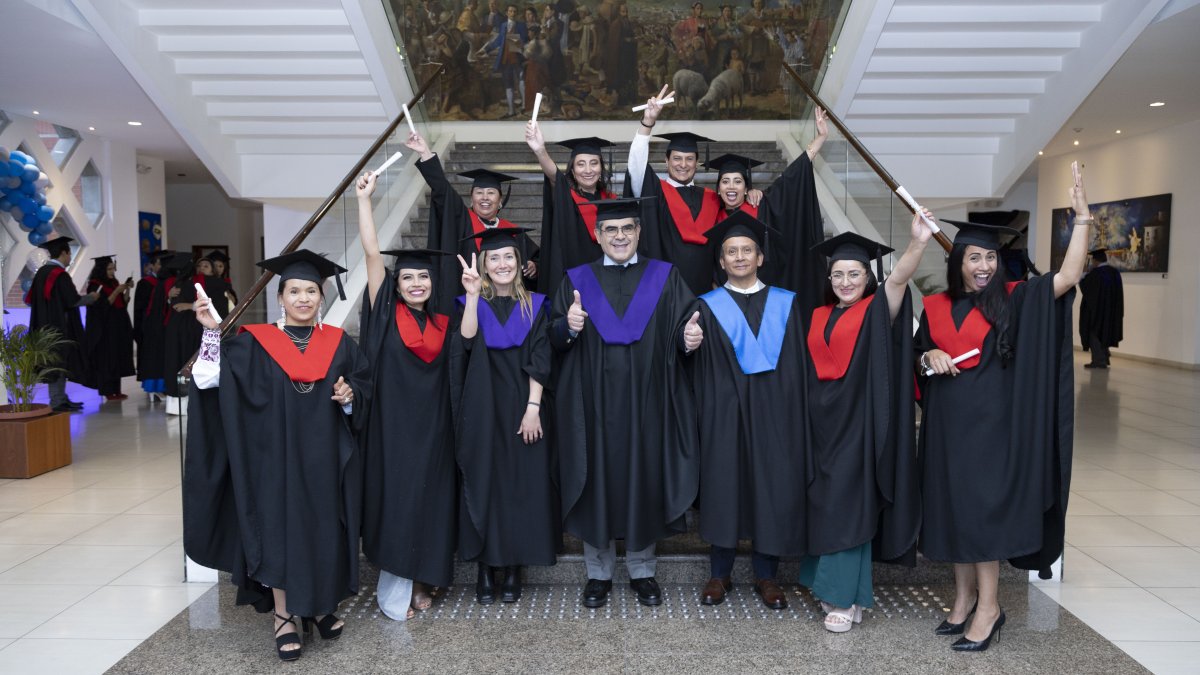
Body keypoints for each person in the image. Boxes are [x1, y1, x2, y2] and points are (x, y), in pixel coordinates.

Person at [917, 168, 1091, 652]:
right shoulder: (933, 306)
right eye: (975, 257)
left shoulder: (1014, 300)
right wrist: (927, 355)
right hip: (946, 427)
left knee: (980, 515)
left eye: (990, 257)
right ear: (958, 262)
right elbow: (918, 356)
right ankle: (963, 597)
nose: (984, 265)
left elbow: (1069, 276)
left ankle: (989, 609)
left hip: (992, 429)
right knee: (952, 510)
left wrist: (1082, 221)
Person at [184, 249, 369, 662]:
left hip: (325, 459)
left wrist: (351, 395)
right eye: (294, 291)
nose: (303, 298)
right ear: (281, 297)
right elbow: (210, 378)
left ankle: (320, 605)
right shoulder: (255, 343)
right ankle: (284, 615)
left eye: (310, 291)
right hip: (274, 461)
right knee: (282, 531)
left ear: (321, 298)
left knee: (324, 529)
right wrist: (212, 332)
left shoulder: (341, 344)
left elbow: (364, 385)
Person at [549, 197, 703, 609]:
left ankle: (642, 570)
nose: (619, 236)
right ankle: (597, 574)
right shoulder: (577, 280)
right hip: (592, 405)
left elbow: (684, 329)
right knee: (595, 479)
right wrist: (567, 326)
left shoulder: (665, 278)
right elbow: (550, 337)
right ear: (597, 235)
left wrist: (689, 343)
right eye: (611, 230)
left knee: (643, 478)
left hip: (647, 403)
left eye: (627, 229)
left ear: (639, 233)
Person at [800, 217, 931, 633]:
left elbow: (897, 283)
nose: (844, 281)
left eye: (854, 273)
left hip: (858, 426)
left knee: (848, 506)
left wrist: (916, 242)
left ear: (868, 277)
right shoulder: (818, 314)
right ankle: (843, 591)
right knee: (824, 503)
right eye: (837, 274)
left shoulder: (875, 311)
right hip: (820, 425)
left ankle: (842, 595)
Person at [690, 212, 809, 611]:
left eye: (746, 250)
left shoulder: (786, 304)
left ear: (760, 257)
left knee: (769, 488)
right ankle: (719, 573)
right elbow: (691, 361)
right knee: (725, 487)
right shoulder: (705, 307)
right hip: (723, 414)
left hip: (775, 413)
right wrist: (685, 342)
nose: (739, 257)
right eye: (731, 252)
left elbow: (797, 366)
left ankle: (767, 575)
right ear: (721, 261)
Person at [355, 171, 458, 617]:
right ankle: (399, 578)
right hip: (392, 429)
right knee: (398, 502)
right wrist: (364, 200)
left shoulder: (442, 324)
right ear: (396, 286)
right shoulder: (385, 314)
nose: (417, 283)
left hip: (435, 429)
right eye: (408, 278)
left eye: (424, 278)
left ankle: (426, 575)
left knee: (431, 501)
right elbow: (373, 253)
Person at [451, 227, 558, 605]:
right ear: (484, 264)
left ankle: (512, 566)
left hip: (522, 405)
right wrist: (471, 295)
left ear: (518, 264)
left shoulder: (536, 304)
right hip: (482, 407)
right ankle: (485, 564)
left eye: (508, 257)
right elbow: (465, 341)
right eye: (494, 258)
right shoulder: (470, 303)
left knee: (519, 484)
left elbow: (541, 359)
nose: (501, 264)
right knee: (486, 482)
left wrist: (533, 409)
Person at [700, 106, 828, 311]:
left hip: (766, 298)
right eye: (725, 181)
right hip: (729, 300)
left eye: (737, 182)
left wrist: (820, 138)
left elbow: (792, 178)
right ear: (718, 188)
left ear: (746, 188)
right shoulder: (711, 215)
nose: (731, 186)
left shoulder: (762, 206)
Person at [406, 130, 540, 312]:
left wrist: (534, 266)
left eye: (491, 193)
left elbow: (537, 259)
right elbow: (443, 190)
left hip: (503, 306)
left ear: (500, 201)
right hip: (464, 300)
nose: (485, 197)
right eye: (479, 192)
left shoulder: (512, 231)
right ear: (471, 199)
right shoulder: (462, 221)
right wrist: (425, 154)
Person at [524, 127, 619, 295]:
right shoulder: (567, 199)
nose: (588, 170)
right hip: (575, 281)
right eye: (581, 164)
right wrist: (540, 151)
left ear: (601, 168)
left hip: (610, 279)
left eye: (594, 163)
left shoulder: (613, 201)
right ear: (573, 172)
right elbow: (554, 177)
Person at [26, 237, 98, 412]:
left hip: (43, 326)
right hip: (59, 326)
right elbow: (72, 301)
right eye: (69, 254)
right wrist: (91, 298)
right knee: (58, 362)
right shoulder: (60, 275)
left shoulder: (41, 273)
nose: (69, 258)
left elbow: (30, 300)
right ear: (64, 253)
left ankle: (61, 398)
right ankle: (57, 401)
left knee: (54, 362)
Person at [83, 255, 135, 401]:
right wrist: (117, 291)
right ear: (101, 269)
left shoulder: (114, 282)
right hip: (105, 327)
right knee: (107, 358)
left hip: (118, 324)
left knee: (117, 356)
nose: (113, 271)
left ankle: (116, 390)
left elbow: (123, 303)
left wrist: (127, 289)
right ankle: (107, 391)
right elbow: (103, 306)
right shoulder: (94, 285)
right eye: (109, 269)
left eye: (113, 268)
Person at [134, 249, 172, 400]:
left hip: (163, 324)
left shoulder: (167, 282)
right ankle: (154, 388)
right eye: (158, 263)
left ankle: (162, 387)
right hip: (151, 325)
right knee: (154, 357)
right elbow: (140, 308)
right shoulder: (145, 283)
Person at [1079, 248, 1123, 369]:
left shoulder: (1095, 274)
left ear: (1095, 261)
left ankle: (1098, 361)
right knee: (1105, 333)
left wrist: (1083, 274)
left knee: (1094, 334)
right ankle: (1104, 357)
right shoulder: (1114, 272)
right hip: (1110, 312)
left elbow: (1086, 288)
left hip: (1096, 313)